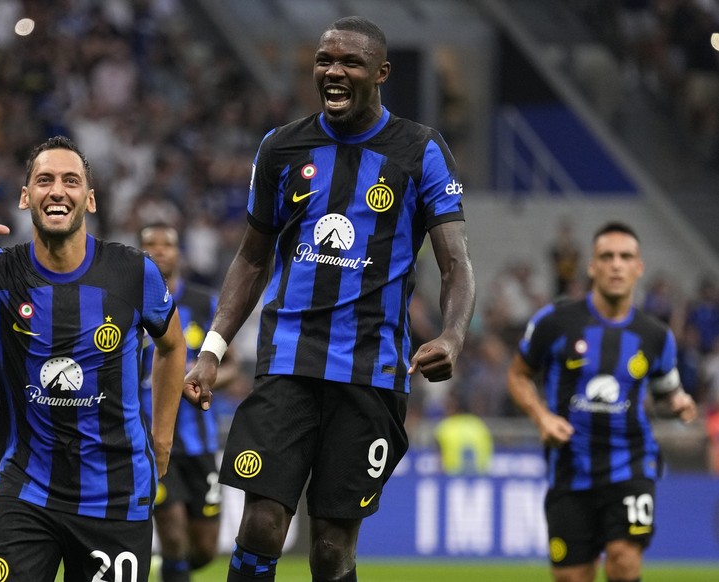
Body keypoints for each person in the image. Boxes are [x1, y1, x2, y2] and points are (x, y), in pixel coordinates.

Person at [183, 16, 476, 582]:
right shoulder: (281, 147)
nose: (333, 72)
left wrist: (453, 334)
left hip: (371, 374)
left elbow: (456, 263)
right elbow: (250, 257)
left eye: (350, 63)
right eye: (324, 60)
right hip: (287, 364)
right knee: (262, 523)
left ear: (381, 74)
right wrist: (214, 347)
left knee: (331, 547)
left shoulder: (420, 151)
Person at [0, 135, 187, 582]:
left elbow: (173, 345)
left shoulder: (133, 272)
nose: (57, 190)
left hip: (115, 494)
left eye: (71, 180)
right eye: (44, 180)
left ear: (90, 199)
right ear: (26, 197)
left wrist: (161, 441)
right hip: (26, 493)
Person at [507, 221, 697, 582]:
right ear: (591, 266)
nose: (616, 264)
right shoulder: (556, 322)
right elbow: (517, 374)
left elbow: (666, 387)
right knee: (571, 577)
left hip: (631, 464)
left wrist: (679, 401)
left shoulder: (655, 336)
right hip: (569, 467)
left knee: (624, 562)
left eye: (625, 257)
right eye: (606, 256)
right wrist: (541, 417)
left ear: (638, 267)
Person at [137, 222, 241, 582]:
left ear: (179, 252)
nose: (160, 249)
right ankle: (171, 563)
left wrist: (203, 380)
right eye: (150, 243)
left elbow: (231, 366)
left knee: (204, 548)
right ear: (141, 252)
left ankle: (168, 570)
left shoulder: (203, 303)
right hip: (152, 441)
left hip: (201, 444)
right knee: (173, 531)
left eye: (167, 243)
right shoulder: (129, 306)